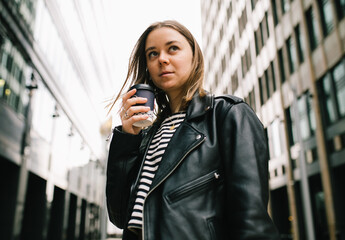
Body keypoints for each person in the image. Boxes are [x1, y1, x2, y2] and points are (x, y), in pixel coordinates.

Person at [106, 20, 280, 240]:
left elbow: (251, 220)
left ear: (194, 57)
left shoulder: (227, 114)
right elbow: (120, 216)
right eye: (152, 54)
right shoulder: (147, 134)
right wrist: (127, 139)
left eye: (173, 48)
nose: (162, 59)